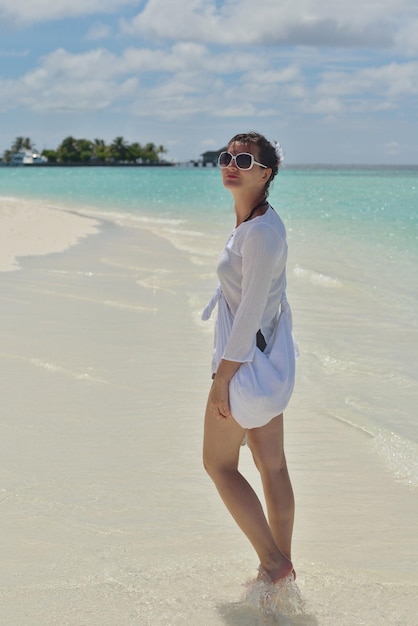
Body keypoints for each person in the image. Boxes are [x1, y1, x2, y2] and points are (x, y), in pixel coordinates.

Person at [202, 131, 296, 584]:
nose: (231, 164)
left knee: (218, 465)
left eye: (243, 159)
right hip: (265, 362)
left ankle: (273, 563)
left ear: (266, 173)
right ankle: (280, 570)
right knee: (271, 465)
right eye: (226, 157)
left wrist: (222, 379)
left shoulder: (259, 233)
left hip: (245, 369)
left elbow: (249, 313)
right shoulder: (258, 222)